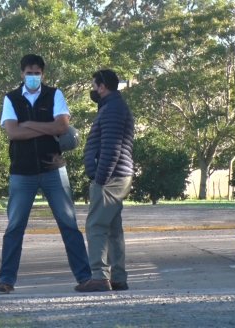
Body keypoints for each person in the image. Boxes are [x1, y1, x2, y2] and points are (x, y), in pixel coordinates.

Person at [0, 54, 92, 294]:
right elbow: (13, 133)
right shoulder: (11, 98)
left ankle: (84, 277)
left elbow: (62, 126)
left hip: (53, 168)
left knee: (69, 224)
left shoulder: (55, 94)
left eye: (37, 72)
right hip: (22, 172)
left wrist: (28, 124)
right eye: (29, 72)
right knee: (15, 226)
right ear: (22, 73)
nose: (33, 76)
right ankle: (6, 280)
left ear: (42, 74)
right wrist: (44, 128)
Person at [80, 69, 134, 292]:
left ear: (102, 86)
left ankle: (100, 276)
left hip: (110, 178)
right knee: (112, 228)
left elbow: (112, 147)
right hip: (118, 175)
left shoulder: (112, 108)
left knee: (96, 226)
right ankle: (118, 278)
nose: (93, 89)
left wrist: (100, 178)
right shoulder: (114, 107)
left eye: (95, 85)